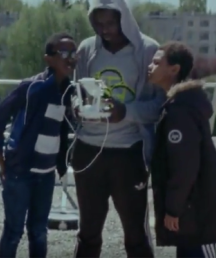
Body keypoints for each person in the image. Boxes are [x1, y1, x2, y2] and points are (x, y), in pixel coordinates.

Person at [71, 0, 164, 257]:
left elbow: (159, 105)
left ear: (124, 17)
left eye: (110, 23)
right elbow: (75, 92)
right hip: (88, 151)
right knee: (88, 233)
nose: (105, 30)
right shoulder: (87, 48)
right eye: (98, 24)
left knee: (135, 235)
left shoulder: (148, 50)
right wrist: (79, 107)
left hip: (129, 153)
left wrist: (126, 112)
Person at [148, 41, 216, 258]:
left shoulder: (180, 111)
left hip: (197, 212)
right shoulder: (179, 104)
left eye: (156, 62)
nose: (150, 66)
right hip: (190, 211)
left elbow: (185, 165)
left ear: (174, 69)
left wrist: (173, 208)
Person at [0, 32, 77, 258]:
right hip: (20, 172)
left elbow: (67, 127)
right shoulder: (32, 87)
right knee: (13, 232)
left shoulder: (69, 90)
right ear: (49, 58)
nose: (71, 59)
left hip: (46, 174)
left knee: (39, 231)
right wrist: (1, 160)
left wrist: (62, 163)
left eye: (74, 53)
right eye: (64, 53)